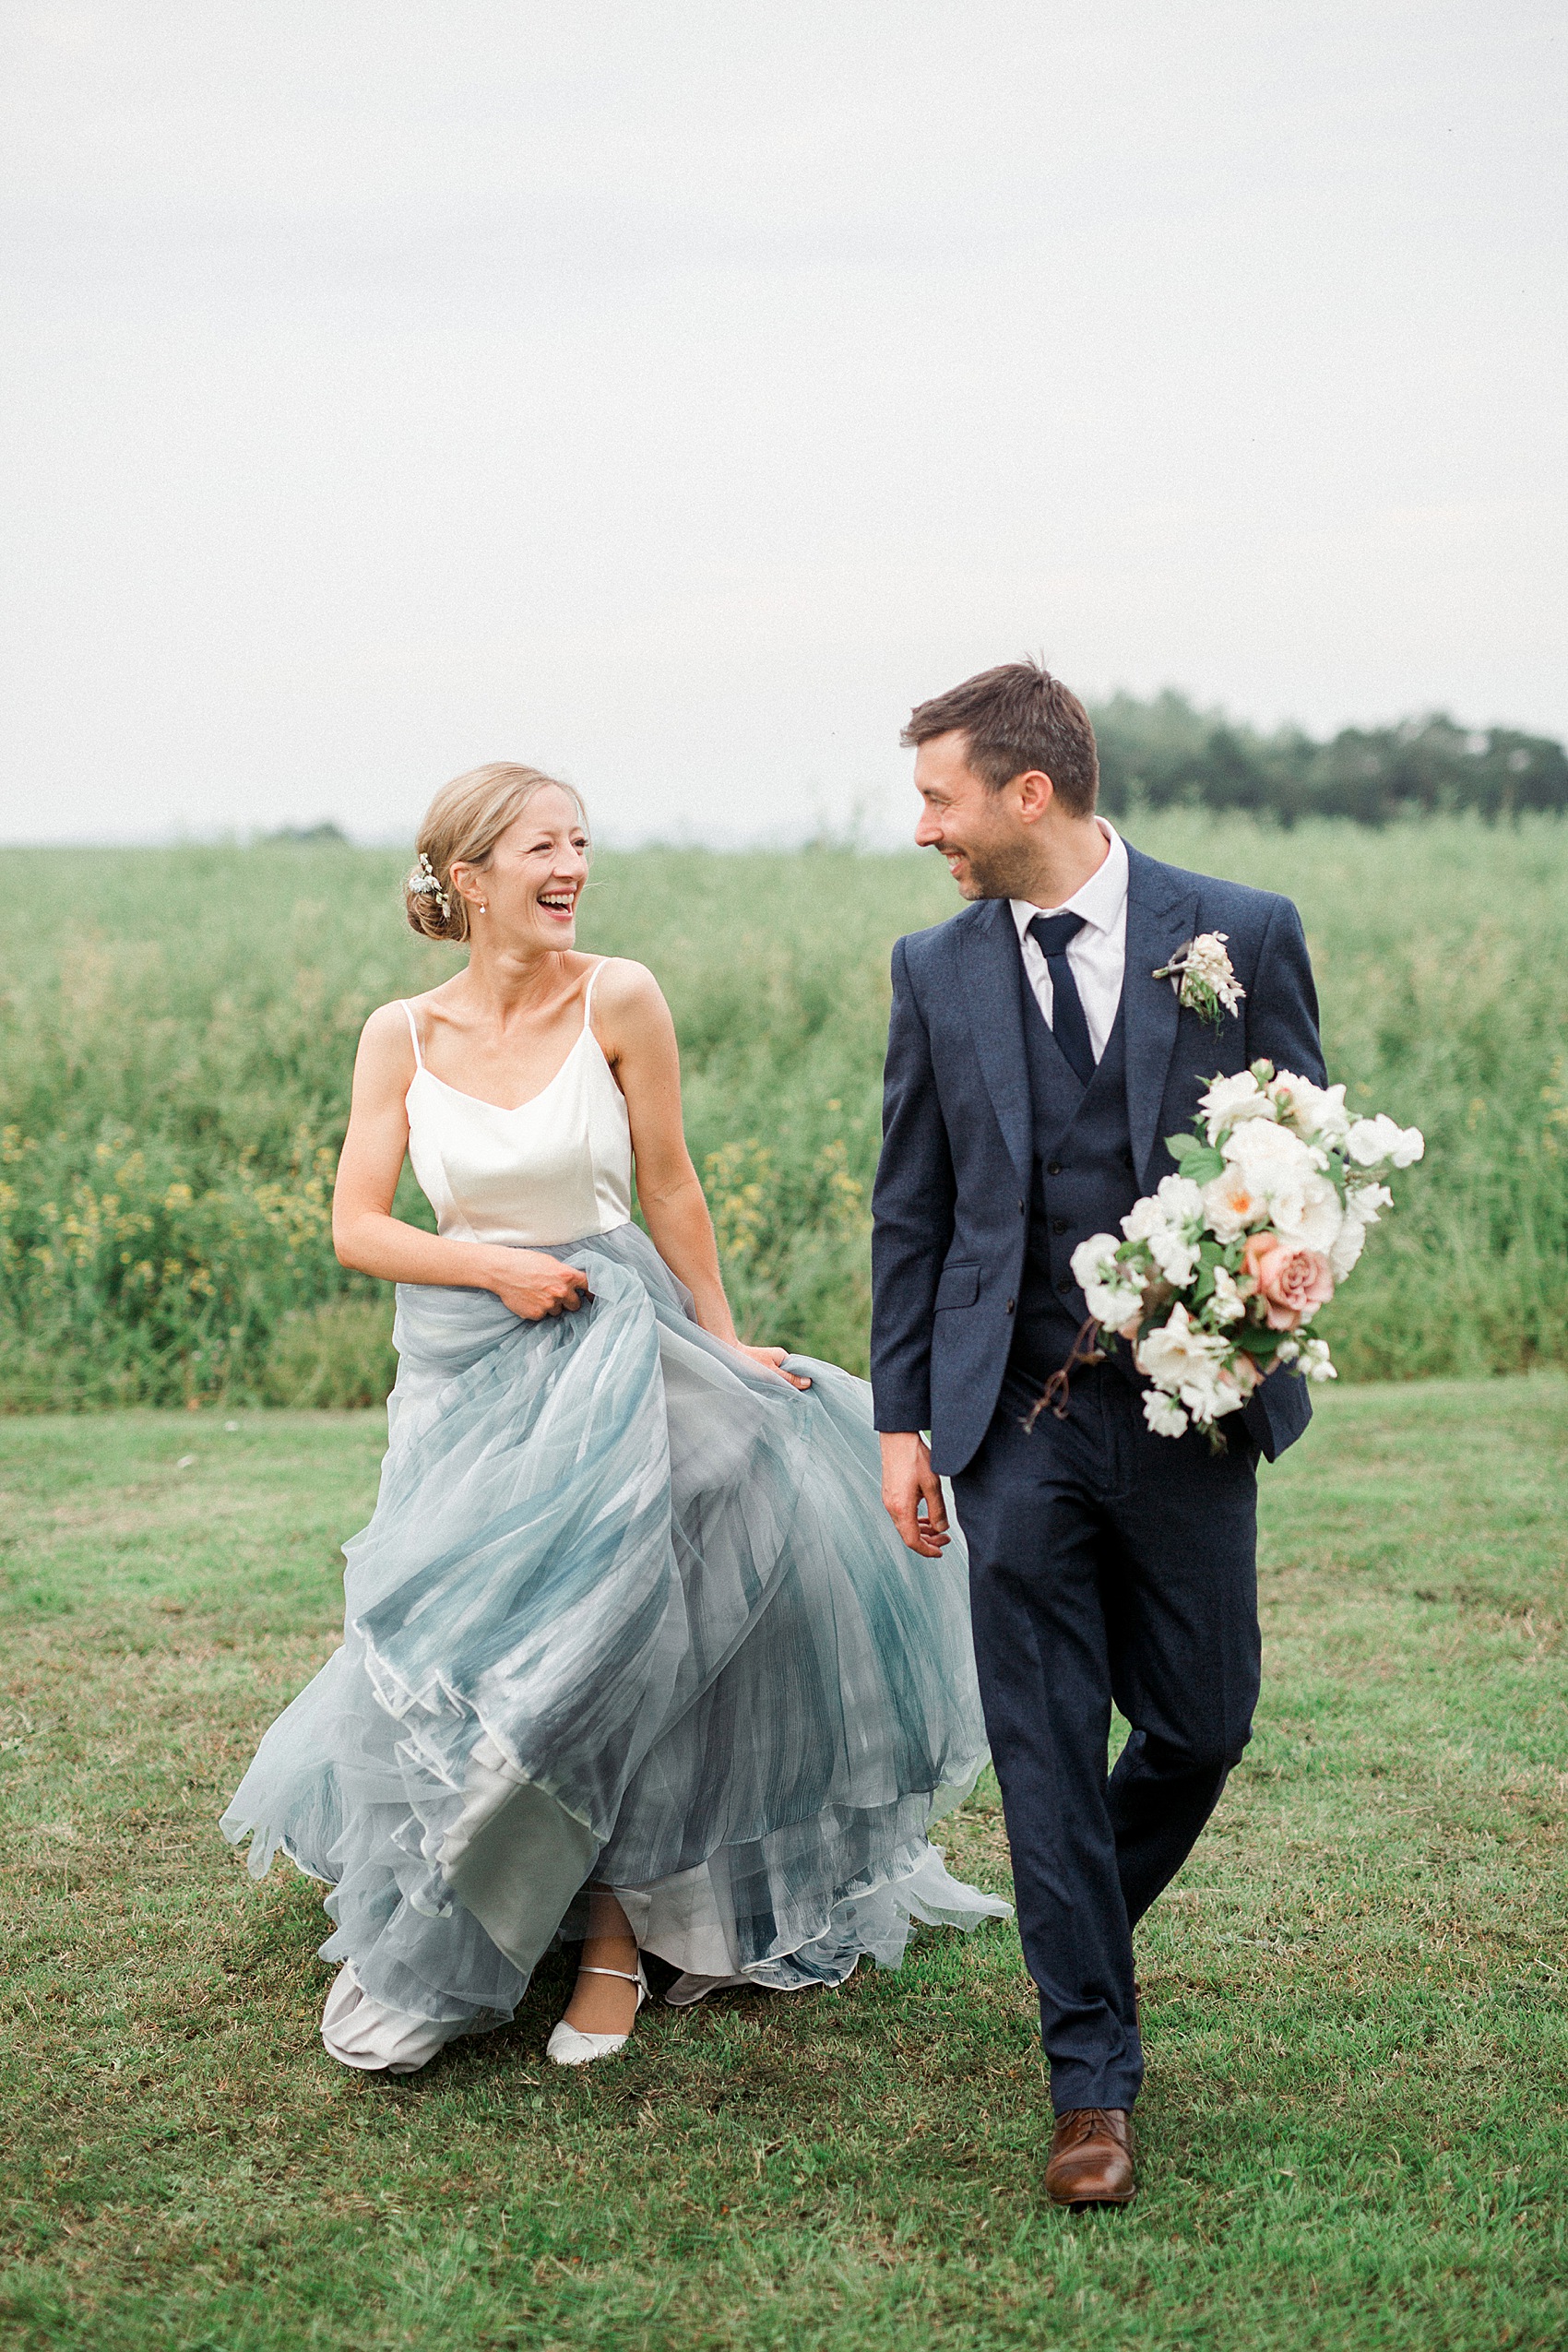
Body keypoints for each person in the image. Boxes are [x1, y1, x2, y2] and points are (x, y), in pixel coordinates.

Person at [222, 761, 1006, 2074]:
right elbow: (358, 1225)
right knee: (480, 1637)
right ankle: (474, 1901)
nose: (571, 865)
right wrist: (495, 1267)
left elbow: (671, 1182)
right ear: (468, 876)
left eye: (580, 841)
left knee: (640, 1609)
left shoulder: (620, 996)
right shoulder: (399, 1034)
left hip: (617, 1325)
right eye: (542, 845)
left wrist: (718, 1332)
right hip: (475, 1365)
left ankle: (614, 1935)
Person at [870, 662, 1324, 2207]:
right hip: (1009, 1414)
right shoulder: (933, 970)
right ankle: (1091, 2088)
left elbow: (1302, 1161)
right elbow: (912, 1210)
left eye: (939, 798)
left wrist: (1262, 1287)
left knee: (1200, 1725)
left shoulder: (1239, 933)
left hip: (1191, 1409)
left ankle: (1082, 1935)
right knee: (1046, 1745)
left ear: (1028, 793)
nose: (922, 828)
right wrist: (902, 1422)